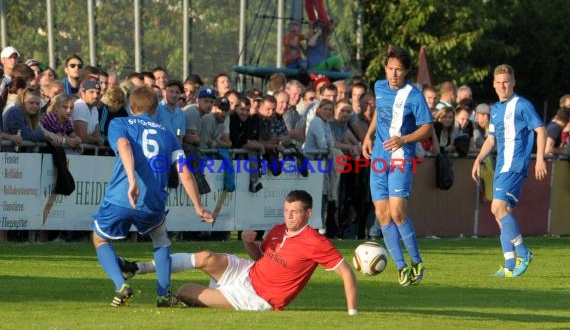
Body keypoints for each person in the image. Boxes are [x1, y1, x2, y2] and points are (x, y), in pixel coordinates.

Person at [119, 190, 358, 313]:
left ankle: (194, 300)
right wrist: (249, 243)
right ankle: (138, 268)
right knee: (205, 256)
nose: (289, 215)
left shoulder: (316, 241)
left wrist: (352, 312)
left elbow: (347, 273)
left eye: (295, 212)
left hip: (257, 298)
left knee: (183, 290)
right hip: (248, 272)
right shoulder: (277, 229)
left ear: (308, 213)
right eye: (286, 210)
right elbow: (260, 258)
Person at [92, 86, 213, 307]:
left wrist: (132, 181)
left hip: (121, 197)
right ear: (155, 108)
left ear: (131, 107)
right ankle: (162, 294)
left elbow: (124, 145)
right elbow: (184, 173)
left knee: (100, 239)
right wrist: (198, 206)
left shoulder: (120, 123)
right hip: (153, 202)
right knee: (161, 241)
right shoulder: (168, 134)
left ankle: (121, 286)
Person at [362, 46, 433, 286]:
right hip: (379, 158)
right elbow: (378, 114)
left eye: (398, 70)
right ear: (385, 69)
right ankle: (402, 268)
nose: (394, 74)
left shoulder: (414, 95)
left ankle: (417, 261)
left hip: (401, 157)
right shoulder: (379, 87)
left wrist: (404, 139)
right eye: (391, 69)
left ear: (406, 72)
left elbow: (426, 128)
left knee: (397, 213)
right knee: (382, 215)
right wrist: (367, 136)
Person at [471, 64, 547, 278]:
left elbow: (541, 131)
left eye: (506, 81)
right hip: (501, 165)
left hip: (515, 164)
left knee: (498, 208)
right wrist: (478, 159)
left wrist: (539, 158)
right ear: (494, 85)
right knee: (501, 215)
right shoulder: (495, 109)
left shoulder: (522, 105)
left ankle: (524, 252)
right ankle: (509, 265)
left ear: (513, 82)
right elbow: (491, 139)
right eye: (499, 82)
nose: (503, 85)